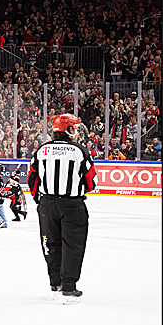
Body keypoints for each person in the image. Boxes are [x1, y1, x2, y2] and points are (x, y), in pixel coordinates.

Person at [27, 113, 97, 304]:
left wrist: (40, 201)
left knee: (51, 244)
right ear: (69, 129)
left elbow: (32, 178)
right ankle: (69, 288)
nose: (77, 131)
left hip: (47, 205)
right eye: (75, 128)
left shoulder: (42, 150)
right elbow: (91, 181)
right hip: (72, 205)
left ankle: (55, 286)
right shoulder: (79, 150)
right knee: (73, 246)